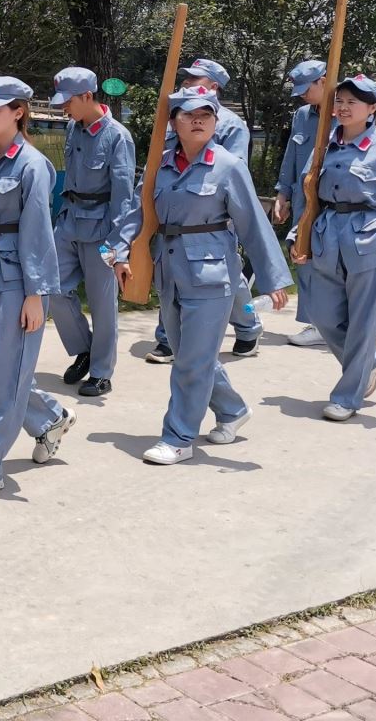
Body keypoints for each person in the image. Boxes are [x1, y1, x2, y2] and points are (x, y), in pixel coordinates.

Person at [117, 86, 291, 465]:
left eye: (206, 115)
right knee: (189, 355)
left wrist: (273, 278)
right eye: (188, 114)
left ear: (215, 122)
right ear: (173, 122)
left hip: (212, 274)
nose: (197, 121)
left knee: (192, 362)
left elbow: (253, 224)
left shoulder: (228, 166)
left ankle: (179, 437)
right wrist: (117, 252)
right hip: (169, 269)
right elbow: (138, 212)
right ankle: (232, 409)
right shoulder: (159, 164)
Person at [0, 76, 75, 500]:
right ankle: (48, 418)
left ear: (18, 112)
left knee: (4, 377)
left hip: (17, 281)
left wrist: (36, 295)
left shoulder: (32, 166)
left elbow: (38, 232)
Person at [295, 74, 376, 421]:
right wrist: (296, 235)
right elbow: (308, 195)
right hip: (326, 237)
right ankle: (369, 362)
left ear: (372, 108)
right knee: (322, 315)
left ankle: (347, 397)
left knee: (363, 324)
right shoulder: (324, 145)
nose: (344, 107)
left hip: (367, 241)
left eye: (353, 101)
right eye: (340, 101)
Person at [145, 57, 260, 363]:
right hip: (178, 210)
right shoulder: (177, 113)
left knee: (224, 275)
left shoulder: (231, 124)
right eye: (186, 78)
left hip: (214, 211)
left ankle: (248, 325)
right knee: (175, 266)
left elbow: (234, 172)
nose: (187, 82)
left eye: (195, 79)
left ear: (214, 87)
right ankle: (168, 338)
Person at [47, 67, 137, 398]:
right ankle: (84, 349)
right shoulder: (74, 127)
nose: (63, 108)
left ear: (87, 96)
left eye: (67, 101)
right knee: (52, 287)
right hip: (69, 223)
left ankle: (101, 372)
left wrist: (118, 247)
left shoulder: (117, 137)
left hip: (102, 232)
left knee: (102, 303)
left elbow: (123, 198)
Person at [271, 59, 328, 347]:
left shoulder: (344, 112)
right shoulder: (303, 116)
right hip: (301, 199)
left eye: (307, 89)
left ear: (324, 81)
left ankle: (344, 319)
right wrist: (282, 195)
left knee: (332, 262)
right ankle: (315, 322)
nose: (303, 95)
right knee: (301, 254)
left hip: (330, 200)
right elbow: (291, 157)